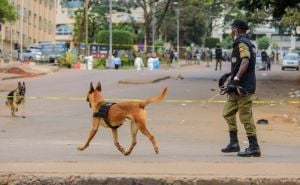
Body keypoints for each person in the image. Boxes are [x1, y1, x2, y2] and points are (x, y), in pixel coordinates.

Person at [221, 20, 261, 157]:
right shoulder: (245, 43)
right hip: (236, 87)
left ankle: (254, 147)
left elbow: (245, 61)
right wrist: (229, 76)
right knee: (227, 112)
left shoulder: (242, 43)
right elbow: (240, 64)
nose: (231, 32)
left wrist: (236, 79)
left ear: (236, 30)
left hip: (244, 86)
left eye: (232, 29)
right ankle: (234, 143)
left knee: (245, 116)